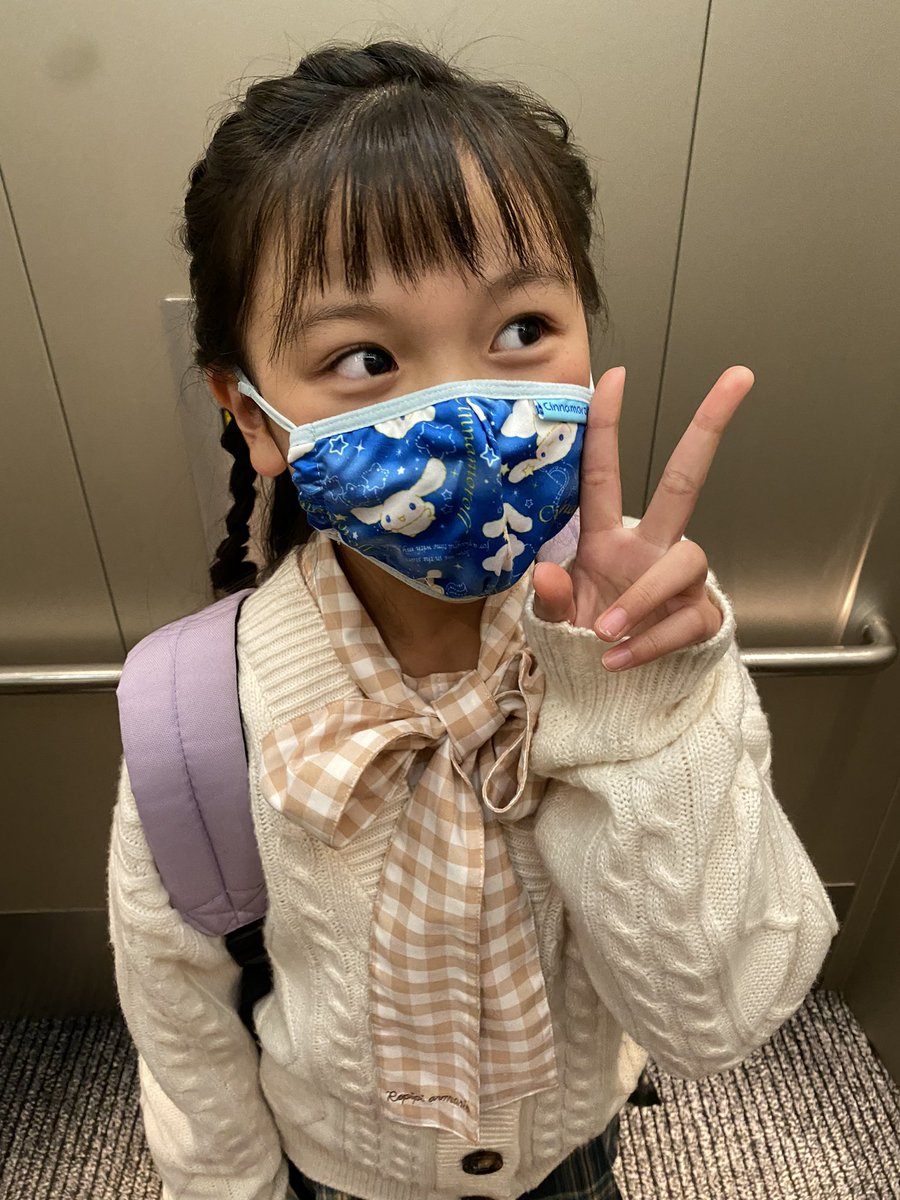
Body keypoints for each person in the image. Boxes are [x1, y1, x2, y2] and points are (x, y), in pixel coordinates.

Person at [107, 38, 839, 1200]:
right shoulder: (196, 716)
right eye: (363, 355)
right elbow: (185, 1036)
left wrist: (637, 716)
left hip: (570, 1152)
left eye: (520, 332)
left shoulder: (657, 639)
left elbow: (718, 1022)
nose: (462, 415)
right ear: (250, 416)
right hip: (336, 1172)